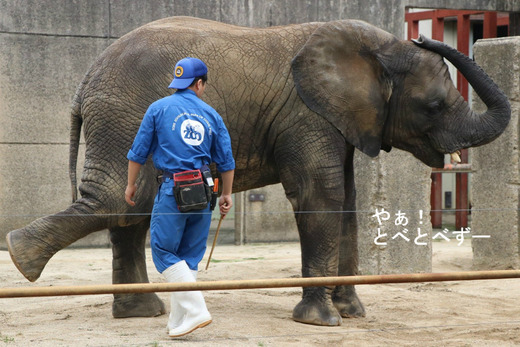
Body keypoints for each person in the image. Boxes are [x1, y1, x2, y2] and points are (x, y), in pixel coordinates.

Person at [125, 57, 235, 338]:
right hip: (204, 190)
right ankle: (178, 320)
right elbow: (226, 162)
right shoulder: (212, 115)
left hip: (173, 189)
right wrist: (226, 194)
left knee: (163, 252)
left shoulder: (158, 108)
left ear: (179, 83)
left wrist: (131, 185)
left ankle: (197, 310)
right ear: (200, 84)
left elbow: (138, 152)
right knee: (189, 258)